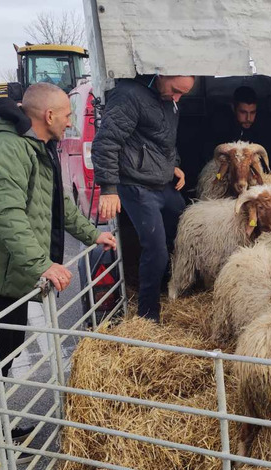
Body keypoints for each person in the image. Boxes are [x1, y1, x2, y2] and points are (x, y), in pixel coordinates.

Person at [0, 83, 116, 463]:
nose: (71, 121)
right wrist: (41, 264)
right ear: (49, 116)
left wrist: (94, 235)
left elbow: (57, 204)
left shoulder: (35, 146)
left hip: (12, 272)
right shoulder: (8, 148)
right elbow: (6, 213)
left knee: (4, 356)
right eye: (68, 114)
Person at [94, 74, 195, 321]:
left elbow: (165, 143)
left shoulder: (169, 101)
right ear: (163, 75)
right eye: (176, 90)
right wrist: (108, 188)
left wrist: (175, 166)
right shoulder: (128, 95)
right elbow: (106, 142)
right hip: (136, 185)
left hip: (162, 184)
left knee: (187, 223)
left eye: (183, 93)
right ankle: (148, 315)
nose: (178, 98)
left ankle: (171, 285)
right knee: (156, 249)